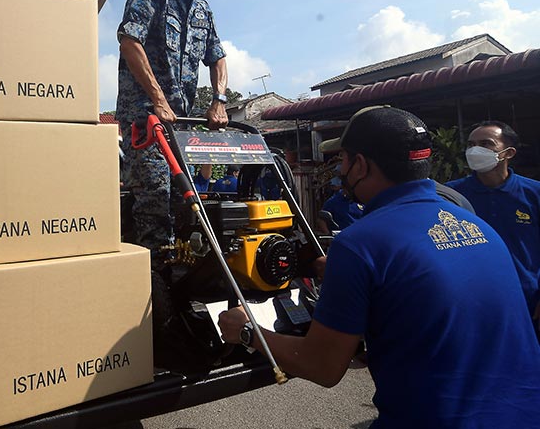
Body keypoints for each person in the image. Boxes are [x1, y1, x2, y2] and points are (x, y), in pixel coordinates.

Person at [219, 106, 540, 427]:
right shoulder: (477, 226)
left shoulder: (360, 242)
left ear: (360, 165)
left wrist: (248, 332)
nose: (340, 169)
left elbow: (322, 366)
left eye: (342, 159)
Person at [116, 0, 228, 271]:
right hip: (145, 122)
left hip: (180, 127)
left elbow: (218, 57)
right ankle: (153, 285)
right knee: (156, 200)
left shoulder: (203, 11)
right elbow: (129, 41)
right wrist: (158, 99)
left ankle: (187, 276)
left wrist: (220, 99)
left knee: (190, 203)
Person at [446, 120, 540, 337]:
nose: (475, 150)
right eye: (471, 144)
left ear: (509, 152)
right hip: (472, 301)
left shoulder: (533, 194)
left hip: (528, 301)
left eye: (486, 143)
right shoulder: (452, 197)